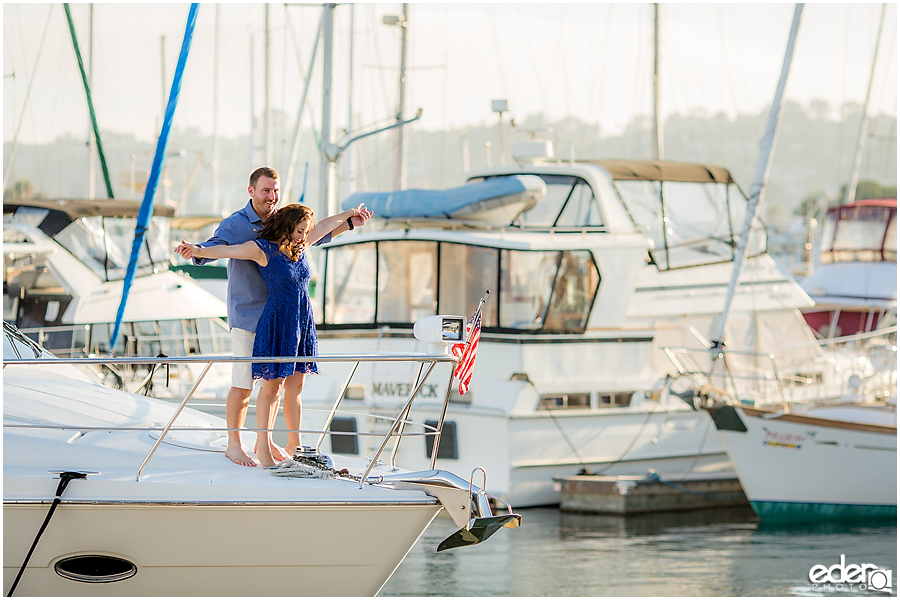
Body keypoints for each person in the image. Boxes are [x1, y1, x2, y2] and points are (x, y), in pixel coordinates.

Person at [174, 167, 371, 466]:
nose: (272, 196)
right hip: (248, 314)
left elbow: (314, 233)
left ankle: (265, 441)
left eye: (275, 190)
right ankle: (234, 444)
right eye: (266, 190)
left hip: (284, 320)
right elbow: (223, 249)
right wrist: (196, 250)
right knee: (244, 384)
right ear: (251, 191)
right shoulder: (237, 225)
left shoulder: (283, 223)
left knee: (276, 383)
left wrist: (349, 221)